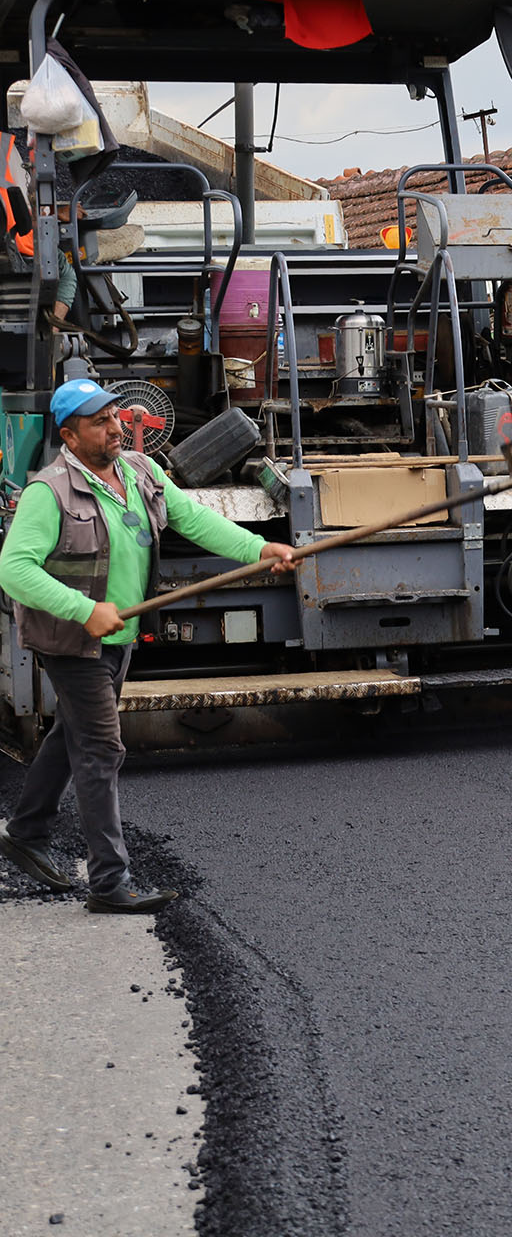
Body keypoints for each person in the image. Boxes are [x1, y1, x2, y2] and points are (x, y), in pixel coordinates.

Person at [0, 380, 299, 912]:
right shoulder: (50, 492)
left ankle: (24, 833)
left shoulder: (140, 471)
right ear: (69, 435)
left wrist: (259, 547)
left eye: (114, 415)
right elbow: (14, 570)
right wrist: (84, 609)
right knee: (100, 749)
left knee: (73, 731)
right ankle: (110, 884)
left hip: (118, 637)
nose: (115, 427)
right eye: (99, 422)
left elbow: (193, 519)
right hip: (74, 641)